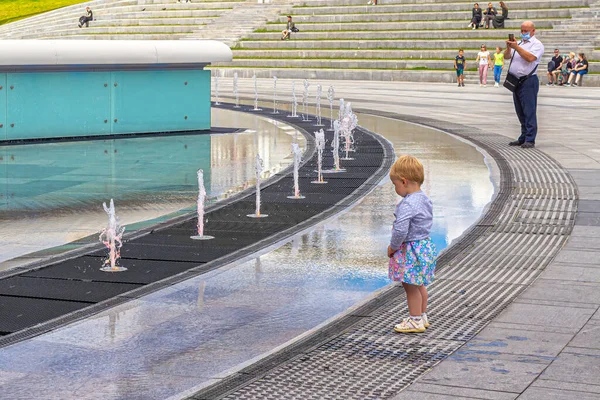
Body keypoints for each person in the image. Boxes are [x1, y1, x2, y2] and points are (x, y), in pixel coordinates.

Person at [388, 155, 437, 334]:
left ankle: (415, 320)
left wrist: (392, 247)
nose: (395, 189)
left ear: (404, 181)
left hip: (412, 250)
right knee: (419, 284)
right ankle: (422, 316)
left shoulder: (407, 204)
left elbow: (400, 230)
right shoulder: (424, 198)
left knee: (410, 286)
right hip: (424, 246)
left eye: (395, 185)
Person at [505, 21, 545, 149]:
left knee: (529, 110)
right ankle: (523, 136)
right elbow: (507, 56)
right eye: (521, 31)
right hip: (516, 81)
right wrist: (509, 47)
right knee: (520, 111)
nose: (523, 33)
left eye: (526, 31)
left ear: (533, 31)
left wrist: (517, 47)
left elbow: (530, 58)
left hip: (528, 81)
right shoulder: (520, 43)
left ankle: (530, 139)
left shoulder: (537, 44)